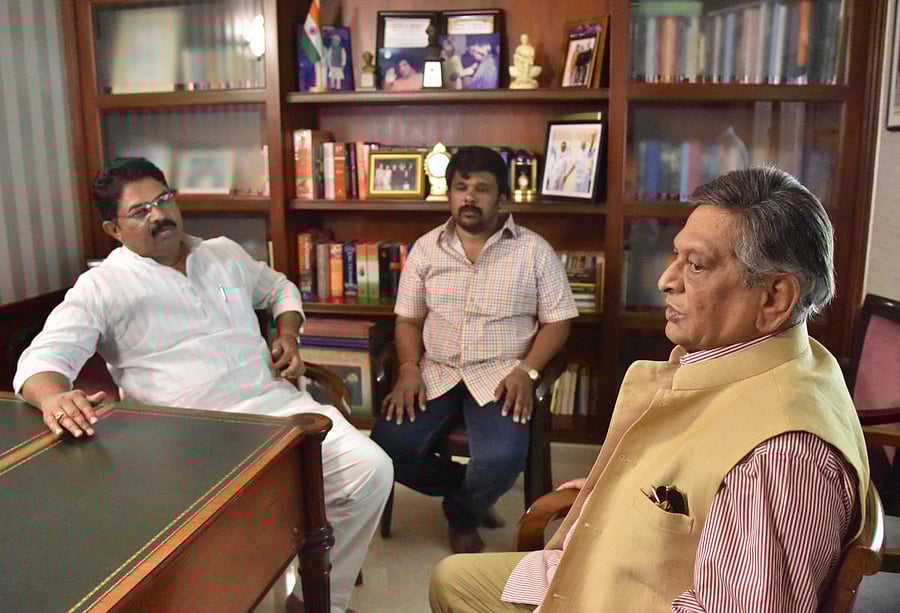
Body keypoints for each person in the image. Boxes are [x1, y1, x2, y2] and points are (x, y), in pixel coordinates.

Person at [429, 166, 870, 612]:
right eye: (676, 256)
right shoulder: (782, 357)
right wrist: (624, 491)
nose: (666, 280)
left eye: (696, 266)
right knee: (451, 579)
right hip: (622, 565)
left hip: (628, 596)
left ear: (775, 298)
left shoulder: (783, 456)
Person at [13, 157, 392, 613]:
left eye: (164, 199)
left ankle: (317, 600)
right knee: (254, 531)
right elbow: (42, 360)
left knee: (372, 469)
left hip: (277, 408)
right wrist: (54, 394)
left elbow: (279, 288)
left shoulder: (223, 253)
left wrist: (287, 334)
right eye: (140, 211)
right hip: (188, 438)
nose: (159, 215)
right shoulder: (102, 286)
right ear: (113, 229)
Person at [370, 146, 578, 555]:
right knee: (384, 448)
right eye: (460, 187)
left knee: (501, 458)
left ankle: (463, 513)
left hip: (502, 374)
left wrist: (530, 370)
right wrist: (409, 368)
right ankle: (465, 498)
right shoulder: (426, 249)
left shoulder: (533, 250)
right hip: (437, 370)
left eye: (482, 189)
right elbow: (408, 320)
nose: (469, 197)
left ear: (502, 197)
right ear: (448, 194)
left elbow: (559, 321)